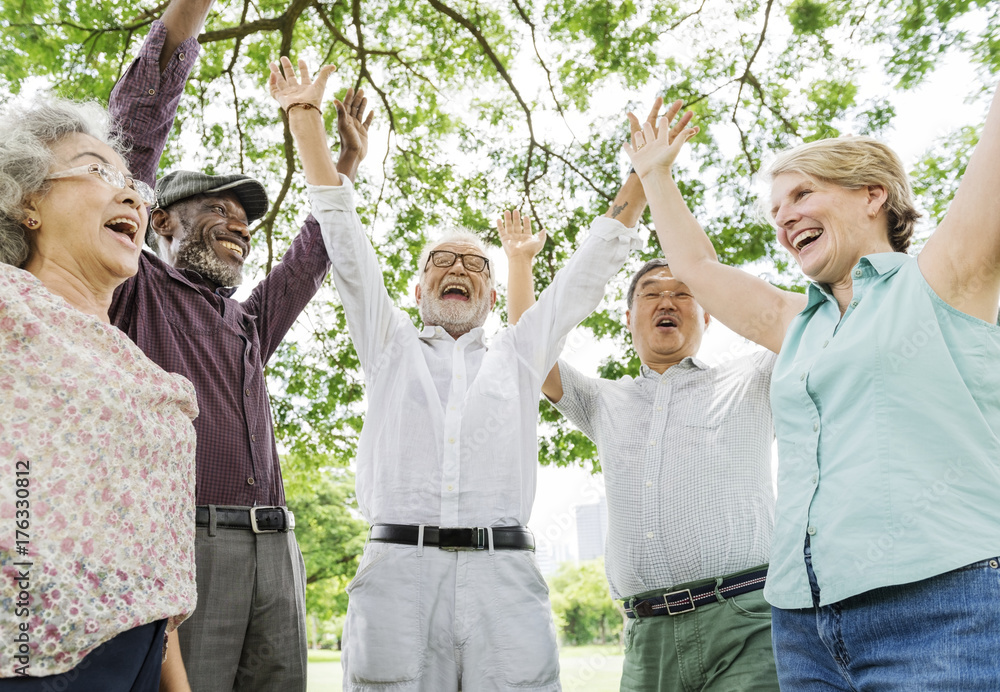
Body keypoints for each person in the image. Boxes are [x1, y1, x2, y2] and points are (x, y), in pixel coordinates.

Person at [267, 51, 645, 689]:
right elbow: (346, 240)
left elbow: (587, 274)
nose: (459, 269)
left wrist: (643, 179)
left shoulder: (521, 354)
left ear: (495, 296)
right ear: (417, 289)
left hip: (504, 583)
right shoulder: (387, 342)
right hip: (396, 577)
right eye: (442, 260)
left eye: (476, 264)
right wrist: (305, 118)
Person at [625, 81, 1000, 689]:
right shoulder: (795, 325)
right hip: (802, 626)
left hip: (944, 605)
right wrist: (655, 173)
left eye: (802, 194)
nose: (785, 218)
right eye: (776, 211)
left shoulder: (945, 281)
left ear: (873, 194)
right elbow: (697, 267)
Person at [106, 8, 371, 689]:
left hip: (278, 550)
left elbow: (314, 255)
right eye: (218, 209)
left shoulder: (248, 324)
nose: (239, 224)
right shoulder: (133, 288)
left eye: (247, 219)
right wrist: (184, 21)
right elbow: (132, 144)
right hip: (188, 544)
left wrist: (344, 161)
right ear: (160, 220)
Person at [501, 99, 778, 692]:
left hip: (748, 623)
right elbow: (530, 349)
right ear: (629, 317)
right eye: (652, 293)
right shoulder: (605, 401)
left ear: (709, 313)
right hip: (647, 637)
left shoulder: (754, 378)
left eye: (684, 293)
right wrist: (519, 265)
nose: (667, 301)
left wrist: (657, 177)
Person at [0, 97, 197, 689]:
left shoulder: (138, 367)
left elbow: (154, 559)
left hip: (138, 659)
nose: (134, 196)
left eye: (135, 185)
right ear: (28, 201)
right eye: (97, 170)